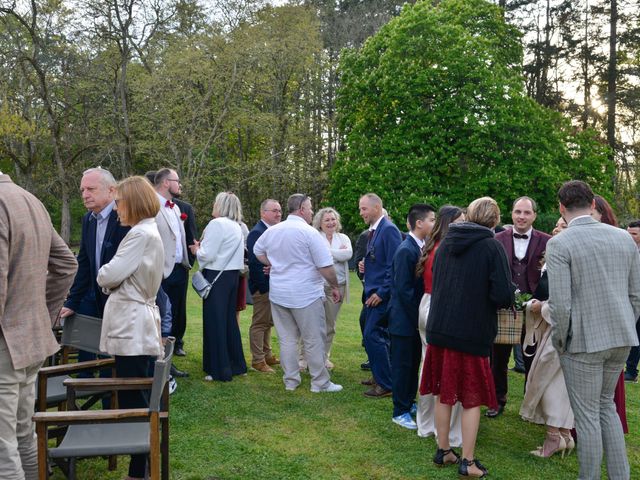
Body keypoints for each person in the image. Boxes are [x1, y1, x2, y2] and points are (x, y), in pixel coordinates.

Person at [547, 180, 640, 480]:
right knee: (606, 408)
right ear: (592, 204)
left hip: (583, 342)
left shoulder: (559, 243)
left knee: (587, 416)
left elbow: (560, 305)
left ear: (562, 207)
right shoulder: (625, 239)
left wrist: (561, 340)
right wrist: (625, 323)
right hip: (621, 336)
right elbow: (635, 295)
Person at [422, 197, 514, 479]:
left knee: (443, 391)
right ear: (495, 220)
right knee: (471, 396)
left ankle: (443, 450)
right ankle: (468, 461)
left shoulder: (447, 241)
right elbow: (501, 294)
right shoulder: (492, 246)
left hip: (440, 326)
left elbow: (438, 277)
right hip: (471, 330)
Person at [0, 173, 77, 480]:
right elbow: (66, 264)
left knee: (4, 448)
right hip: (30, 341)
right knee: (22, 437)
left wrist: (41, 313)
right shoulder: (30, 200)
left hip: (6, 347)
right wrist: (41, 316)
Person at [96, 176, 164, 480]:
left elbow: (110, 274)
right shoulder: (148, 231)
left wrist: (108, 277)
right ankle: (143, 466)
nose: (116, 208)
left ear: (132, 202)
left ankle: (139, 471)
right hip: (137, 320)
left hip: (132, 324)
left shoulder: (139, 234)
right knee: (135, 392)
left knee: (132, 397)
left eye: (119, 202)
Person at [254, 194, 343, 393]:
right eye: (310, 208)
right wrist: (335, 286)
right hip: (306, 294)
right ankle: (320, 382)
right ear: (302, 209)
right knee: (313, 338)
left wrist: (274, 263)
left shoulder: (273, 231)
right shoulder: (309, 233)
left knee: (287, 339)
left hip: (279, 293)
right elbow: (326, 266)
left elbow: (257, 251)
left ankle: (291, 381)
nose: (312, 212)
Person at [59, 167, 130, 398]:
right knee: (96, 353)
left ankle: (114, 403)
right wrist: (72, 300)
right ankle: (96, 391)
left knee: (117, 360)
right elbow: (85, 264)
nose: (84, 194)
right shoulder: (88, 219)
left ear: (111, 190)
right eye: (82, 190)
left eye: (91, 189)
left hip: (123, 301)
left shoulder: (125, 218)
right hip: (95, 298)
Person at [489, 196, 550, 417]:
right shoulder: (497, 239)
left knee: (533, 357)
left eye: (526, 212)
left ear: (534, 215)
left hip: (535, 309)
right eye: (517, 212)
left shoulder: (547, 241)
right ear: (511, 214)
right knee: (498, 357)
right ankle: (497, 400)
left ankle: (530, 403)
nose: (521, 216)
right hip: (504, 308)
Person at [519, 218, 575, 458]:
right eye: (556, 225)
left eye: (563, 226)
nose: (556, 229)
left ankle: (554, 436)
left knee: (547, 381)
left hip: (558, 330)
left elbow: (563, 301)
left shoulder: (566, 259)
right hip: (565, 329)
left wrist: (538, 307)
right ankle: (565, 434)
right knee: (562, 385)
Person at [415, 205, 465, 443]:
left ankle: (426, 424)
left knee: (428, 366)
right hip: (442, 307)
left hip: (426, 305)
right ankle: (448, 430)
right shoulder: (449, 249)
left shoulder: (432, 246)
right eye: (460, 222)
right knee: (447, 369)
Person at [387, 204, 435, 430]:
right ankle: (399, 411)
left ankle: (409, 402)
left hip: (412, 322)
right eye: (432, 220)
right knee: (402, 366)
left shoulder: (421, 246)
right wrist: (419, 318)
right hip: (404, 322)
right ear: (419, 223)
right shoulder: (406, 250)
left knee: (413, 364)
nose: (434, 224)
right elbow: (404, 290)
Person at [191, 192, 247, 381]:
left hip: (216, 276)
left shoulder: (217, 224)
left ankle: (220, 369)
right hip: (231, 276)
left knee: (215, 321)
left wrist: (197, 250)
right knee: (229, 321)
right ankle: (236, 364)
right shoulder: (236, 226)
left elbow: (208, 255)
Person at [590, 195, 629, 434]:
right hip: (604, 322)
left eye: (592, 215)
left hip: (611, 323)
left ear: (602, 215)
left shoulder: (619, 242)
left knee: (606, 393)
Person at [359, 194, 402, 397]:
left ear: (377, 208)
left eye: (364, 209)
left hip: (380, 294)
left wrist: (382, 293)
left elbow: (394, 265)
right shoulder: (375, 230)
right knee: (368, 329)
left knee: (372, 334)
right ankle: (379, 375)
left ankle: (386, 384)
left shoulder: (389, 230)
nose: (361, 213)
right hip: (371, 292)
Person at [153, 168, 192, 359]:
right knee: (161, 316)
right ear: (166, 182)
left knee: (176, 313)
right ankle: (159, 357)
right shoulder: (151, 206)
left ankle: (170, 356)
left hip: (179, 269)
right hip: (160, 271)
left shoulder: (175, 208)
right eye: (177, 180)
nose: (180, 185)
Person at [313, 207, 353, 369]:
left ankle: (324, 357)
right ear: (320, 223)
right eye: (327, 220)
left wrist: (326, 253)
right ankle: (304, 358)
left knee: (330, 324)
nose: (330, 222)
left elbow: (348, 254)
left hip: (339, 286)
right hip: (317, 286)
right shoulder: (315, 236)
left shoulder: (343, 237)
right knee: (312, 322)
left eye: (333, 219)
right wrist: (337, 254)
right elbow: (314, 256)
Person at [247, 199, 282, 373]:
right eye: (274, 210)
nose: (278, 214)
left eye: (280, 210)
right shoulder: (257, 232)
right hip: (263, 286)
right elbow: (254, 263)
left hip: (273, 284)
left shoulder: (273, 231)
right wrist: (263, 288)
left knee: (268, 322)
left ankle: (267, 354)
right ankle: (258, 360)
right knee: (260, 323)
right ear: (263, 213)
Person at [624, 219, 640, 383]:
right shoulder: (625, 250)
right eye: (628, 233)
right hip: (629, 300)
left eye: (634, 234)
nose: (630, 237)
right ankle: (630, 370)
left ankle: (631, 370)